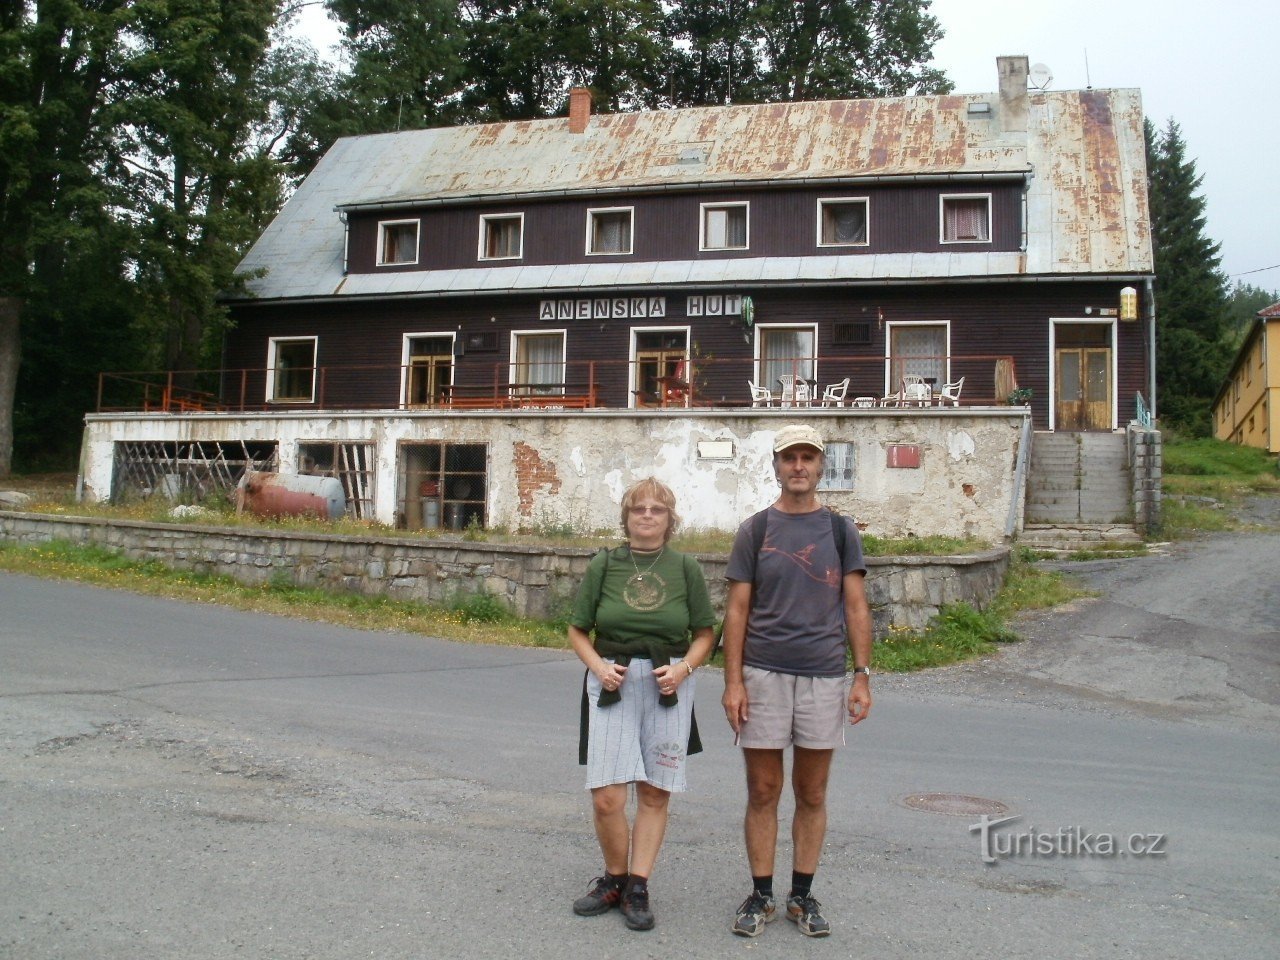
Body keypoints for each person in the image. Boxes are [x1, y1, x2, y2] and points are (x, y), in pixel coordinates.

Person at [721, 424, 874, 939]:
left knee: (812, 791)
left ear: (820, 465)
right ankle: (761, 894)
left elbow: (855, 605)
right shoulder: (756, 530)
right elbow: (737, 610)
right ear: (777, 466)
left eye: (808, 457)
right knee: (763, 789)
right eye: (790, 458)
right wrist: (733, 682)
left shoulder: (840, 530)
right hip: (762, 673)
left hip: (824, 675)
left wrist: (862, 675)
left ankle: (801, 895)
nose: (799, 466)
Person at [568, 477, 717, 931]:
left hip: (668, 682)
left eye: (657, 509)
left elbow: (705, 634)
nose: (648, 515)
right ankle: (613, 877)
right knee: (608, 796)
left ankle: (638, 886)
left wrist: (683, 670)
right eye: (639, 509)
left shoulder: (685, 567)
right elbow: (578, 630)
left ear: (670, 519)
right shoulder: (604, 565)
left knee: (654, 791)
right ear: (626, 517)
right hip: (612, 679)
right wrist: (597, 666)